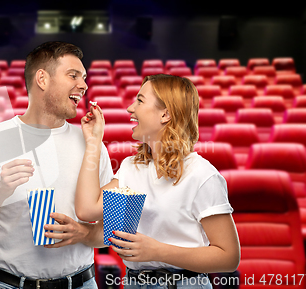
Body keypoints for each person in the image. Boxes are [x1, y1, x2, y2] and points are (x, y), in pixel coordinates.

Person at [0, 41, 114, 289]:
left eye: (84, 78)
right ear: (42, 79)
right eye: (73, 75)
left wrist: (84, 233)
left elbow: (116, 227)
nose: (84, 85)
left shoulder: (92, 144)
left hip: (81, 283)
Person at [75, 74, 240, 288]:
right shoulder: (131, 168)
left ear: (165, 114)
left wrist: (157, 251)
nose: (130, 109)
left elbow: (228, 257)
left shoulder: (202, 175)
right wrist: (93, 142)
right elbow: (87, 210)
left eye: (140, 101)